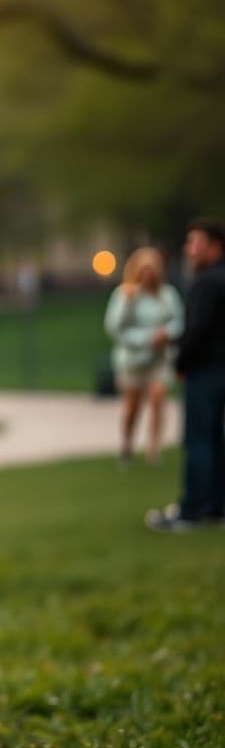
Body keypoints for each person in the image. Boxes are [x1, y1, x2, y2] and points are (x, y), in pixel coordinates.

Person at [145, 220, 225, 532]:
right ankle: (216, 506)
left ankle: (192, 510)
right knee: (216, 441)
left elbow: (198, 330)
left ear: (214, 246)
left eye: (194, 242)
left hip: (206, 372)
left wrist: (181, 363)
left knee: (199, 440)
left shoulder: (206, 283)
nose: (188, 249)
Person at [104, 247, 184, 466]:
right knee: (133, 406)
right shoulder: (126, 294)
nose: (148, 274)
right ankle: (127, 444)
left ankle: (153, 448)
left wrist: (166, 333)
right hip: (133, 359)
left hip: (159, 358)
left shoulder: (167, 294)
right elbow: (114, 328)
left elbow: (179, 321)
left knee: (158, 398)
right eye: (144, 269)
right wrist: (146, 338)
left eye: (152, 269)